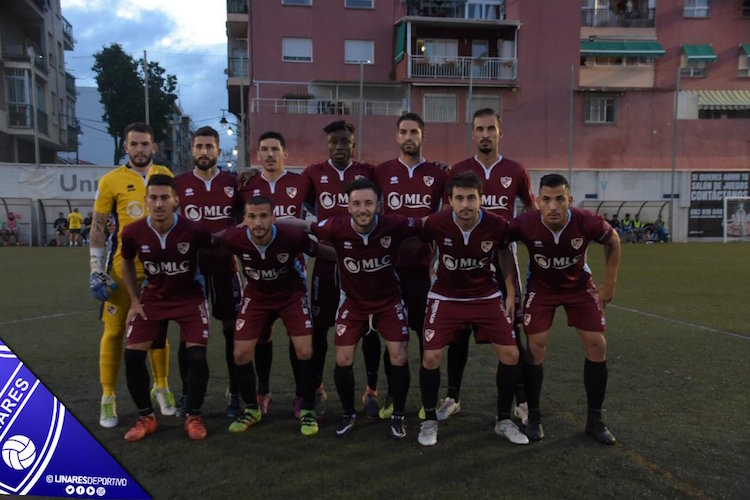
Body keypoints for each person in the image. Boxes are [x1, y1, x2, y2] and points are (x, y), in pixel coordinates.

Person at [300, 178, 420, 439]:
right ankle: (348, 412)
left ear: (379, 204)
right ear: (348, 206)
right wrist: (270, 224)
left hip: (388, 301)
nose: (362, 209)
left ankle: (398, 415)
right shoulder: (335, 227)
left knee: (398, 356)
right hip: (353, 302)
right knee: (343, 359)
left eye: (368, 203)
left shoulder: (394, 224)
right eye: (356, 203)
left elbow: (427, 226)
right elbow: (304, 226)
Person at [507, 173, 621, 444]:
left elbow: (613, 239)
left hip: (578, 286)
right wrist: (510, 287)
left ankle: (595, 420)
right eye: (546, 199)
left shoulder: (586, 221)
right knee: (536, 346)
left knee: (597, 345)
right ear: (538, 201)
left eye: (560, 199)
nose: (553, 206)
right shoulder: (525, 223)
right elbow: (500, 245)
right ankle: (533, 417)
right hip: (541, 287)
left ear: (569, 200)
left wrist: (610, 282)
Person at [439, 108, 535, 424]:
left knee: (512, 325)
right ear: (472, 133)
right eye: (479, 128)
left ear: (499, 132)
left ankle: (521, 402)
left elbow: (531, 214)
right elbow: (444, 215)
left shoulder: (516, 170)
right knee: (458, 331)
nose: (484, 134)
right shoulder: (459, 170)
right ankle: (452, 397)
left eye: (490, 128)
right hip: (465, 259)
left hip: (502, 257)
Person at [417, 171, 527, 447]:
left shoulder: (496, 224)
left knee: (512, 354)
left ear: (480, 199)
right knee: (430, 357)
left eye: (471, 198)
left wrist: (510, 290)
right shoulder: (435, 223)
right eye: (459, 198)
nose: (465, 204)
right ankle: (429, 420)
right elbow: (412, 238)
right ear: (451, 201)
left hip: (485, 295)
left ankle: (503, 420)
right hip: (445, 296)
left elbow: (503, 251)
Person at [89, 122, 176, 428]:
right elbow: (98, 227)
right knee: (113, 332)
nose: (140, 150)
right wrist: (96, 269)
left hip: (158, 270)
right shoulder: (111, 180)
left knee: (157, 334)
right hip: (121, 270)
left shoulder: (165, 175)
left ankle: (161, 385)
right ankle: (108, 396)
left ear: (153, 147)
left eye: (145, 144)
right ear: (125, 147)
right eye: (134, 144)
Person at [120, 175, 212, 441]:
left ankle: (193, 415)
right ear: (146, 201)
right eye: (153, 198)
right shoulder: (133, 232)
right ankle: (145, 417)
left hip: (190, 299)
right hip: (152, 300)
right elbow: (126, 262)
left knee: (196, 357)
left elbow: (221, 247)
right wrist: (134, 301)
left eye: (164, 198)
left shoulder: (194, 230)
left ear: (176, 201)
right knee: (132, 357)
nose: (158, 203)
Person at [300, 120, 382, 417]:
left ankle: (371, 391)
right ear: (327, 145)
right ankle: (319, 388)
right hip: (327, 261)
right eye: (333, 141)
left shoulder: (368, 172)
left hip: (363, 263)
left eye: (344, 141)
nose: (338, 146)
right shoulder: (314, 173)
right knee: (320, 328)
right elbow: (296, 199)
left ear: (353, 144)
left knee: (370, 329)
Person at [220, 196, 320, 436]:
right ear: (244, 220)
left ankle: (307, 409)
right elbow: (210, 246)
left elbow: (317, 250)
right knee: (240, 354)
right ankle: (252, 409)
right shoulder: (233, 238)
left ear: (274, 217)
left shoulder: (292, 236)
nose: (258, 222)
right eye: (252, 217)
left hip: (291, 295)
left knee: (305, 350)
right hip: (257, 296)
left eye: (264, 216)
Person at [372, 112, 446, 419]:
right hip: (391, 270)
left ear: (422, 136)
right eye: (403, 131)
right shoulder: (381, 172)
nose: (409, 137)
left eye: (414, 131)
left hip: (425, 270)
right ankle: (393, 395)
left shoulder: (439, 173)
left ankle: (429, 398)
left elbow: (447, 217)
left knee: (426, 336)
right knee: (394, 338)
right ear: (397, 136)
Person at [238, 131, 314, 417]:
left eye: (275, 149)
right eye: (264, 149)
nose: (270, 154)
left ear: (285, 154)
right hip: (258, 275)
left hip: (293, 273)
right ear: (258, 154)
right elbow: (237, 222)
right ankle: (263, 391)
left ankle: (301, 394)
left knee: (299, 339)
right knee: (262, 336)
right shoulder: (247, 186)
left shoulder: (301, 182)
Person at [174, 126, 244, 419]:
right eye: (199, 146)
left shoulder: (233, 182)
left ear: (218, 150)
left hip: (225, 267)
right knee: (187, 336)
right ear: (192, 151)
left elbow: (244, 220)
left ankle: (235, 393)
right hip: (190, 270)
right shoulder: (178, 184)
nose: (204, 152)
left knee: (232, 331)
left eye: (209, 147)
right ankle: (187, 393)